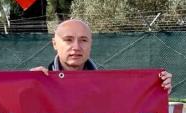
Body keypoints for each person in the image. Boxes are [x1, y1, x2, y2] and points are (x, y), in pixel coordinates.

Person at [31, 18, 172, 91]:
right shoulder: (37, 82)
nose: (76, 47)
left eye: (83, 40)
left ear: (90, 43)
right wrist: (22, 89)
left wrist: (157, 90)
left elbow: (133, 109)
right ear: (55, 44)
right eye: (68, 40)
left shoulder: (109, 86)